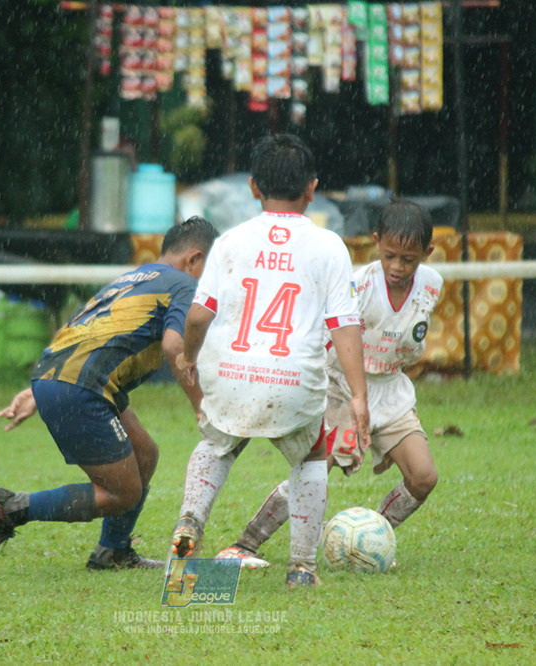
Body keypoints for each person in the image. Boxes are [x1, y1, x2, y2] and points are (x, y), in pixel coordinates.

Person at [170, 133, 371, 588]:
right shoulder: (329, 246)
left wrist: (188, 355)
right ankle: (302, 568)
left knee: (217, 444)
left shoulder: (229, 243)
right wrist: (358, 396)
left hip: (230, 373)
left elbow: (199, 315)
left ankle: (188, 526)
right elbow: (344, 326)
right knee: (312, 458)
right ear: (312, 188)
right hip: (293, 379)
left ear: (253, 188)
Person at [0, 215, 218, 571]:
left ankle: (113, 552)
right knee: (122, 494)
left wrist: (39, 388)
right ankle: (10, 508)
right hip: (80, 385)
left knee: (145, 454)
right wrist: (201, 406)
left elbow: (87, 328)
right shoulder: (184, 284)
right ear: (194, 259)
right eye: (212, 271)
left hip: (69, 377)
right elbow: (173, 345)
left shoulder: (136, 276)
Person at [215, 199, 443, 568]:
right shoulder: (358, 284)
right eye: (389, 256)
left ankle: (368, 541)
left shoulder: (432, 285)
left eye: (409, 259)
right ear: (375, 242)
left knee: (423, 476)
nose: (397, 267)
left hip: (391, 392)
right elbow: (328, 331)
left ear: (427, 253)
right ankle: (245, 544)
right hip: (341, 389)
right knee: (314, 471)